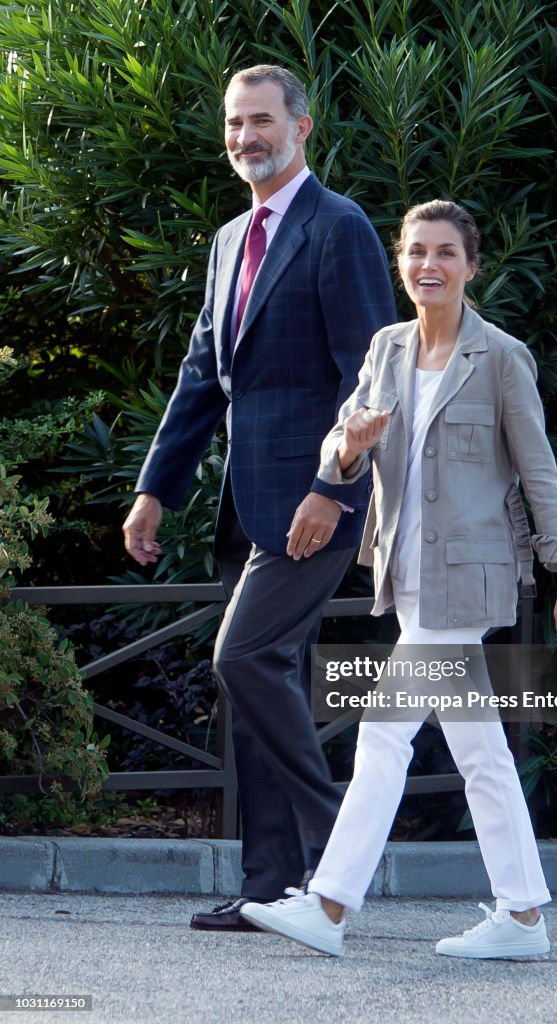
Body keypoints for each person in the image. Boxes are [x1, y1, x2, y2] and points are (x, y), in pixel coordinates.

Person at [241, 200, 557, 957]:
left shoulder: (499, 357)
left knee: (382, 734)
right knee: (481, 753)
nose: (427, 265)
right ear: (401, 263)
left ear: (471, 267)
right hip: (404, 573)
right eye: (414, 252)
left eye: (444, 253)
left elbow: (539, 473)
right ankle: (523, 915)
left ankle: (330, 904)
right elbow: (340, 444)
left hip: (462, 584)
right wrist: (348, 448)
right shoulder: (386, 348)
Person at [121, 65, 396, 931]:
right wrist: (153, 491)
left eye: (262, 121)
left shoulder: (338, 227)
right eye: (236, 123)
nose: (247, 136)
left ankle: (338, 859)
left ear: (302, 128)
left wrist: (330, 484)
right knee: (256, 681)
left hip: (319, 500)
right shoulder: (229, 238)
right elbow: (203, 376)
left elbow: (372, 380)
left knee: (241, 658)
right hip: (249, 499)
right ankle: (274, 886)